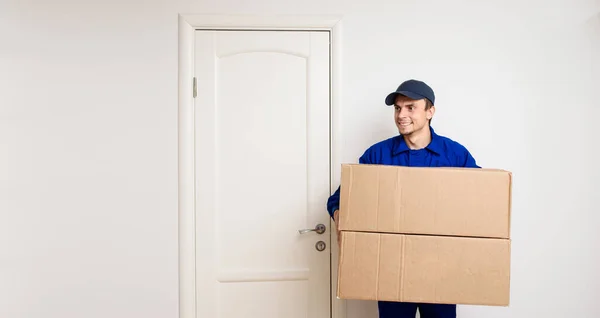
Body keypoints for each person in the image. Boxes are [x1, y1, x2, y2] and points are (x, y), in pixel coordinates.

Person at [326, 79, 480, 318]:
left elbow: (483, 196)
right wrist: (339, 217)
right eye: (398, 108)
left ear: (430, 112)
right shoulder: (378, 154)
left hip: (440, 269)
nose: (401, 115)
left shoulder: (454, 154)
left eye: (410, 107)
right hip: (391, 271)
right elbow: (340, 198)